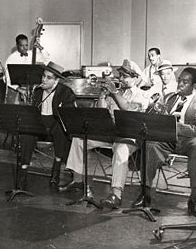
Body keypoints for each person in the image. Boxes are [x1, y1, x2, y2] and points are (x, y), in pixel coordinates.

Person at [60, 59, 149, 209]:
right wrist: (102, 95)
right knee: (79, 139)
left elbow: (128, 110)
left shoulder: (142, 95)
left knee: (121, 151)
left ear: (136, 78)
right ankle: (78, 179)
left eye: (125, 76)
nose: (121, 79)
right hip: (111, 133)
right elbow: (101, 113)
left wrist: (114, 93)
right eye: (120, 75)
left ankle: (116, 194)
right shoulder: (117, 92)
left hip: (130, 136)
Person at [132, 67, 196, 217]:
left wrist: (174, 126)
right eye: (179, 80)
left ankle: (194, 199)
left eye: (185, 82)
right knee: (150, 145)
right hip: (168, 138)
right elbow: (158, 119)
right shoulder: (169, 97)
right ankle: (145, 193)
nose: (180, 84)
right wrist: (156, 111)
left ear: (194, 85)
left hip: (191, 139)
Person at [18, 62, 76, 190]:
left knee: (60, 130)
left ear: (56, 81)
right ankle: (23, 172)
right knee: (27, 132)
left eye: (48, 78)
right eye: (43, 76)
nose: (44, 80)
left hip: (55, 122)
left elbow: (68, 115)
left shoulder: (66, 92)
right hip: (40, 123)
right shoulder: (37, 91)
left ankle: (56, 169)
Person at [4, 34, 50, 103]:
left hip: (32, 90)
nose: (25, 48)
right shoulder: (11, 59)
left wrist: (40, 48)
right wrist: (18, 88)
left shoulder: (32, 54)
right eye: (22, 46)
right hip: (16, 91)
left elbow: (47, 59)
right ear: (17, 46)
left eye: (26, 45)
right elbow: (6, 78)